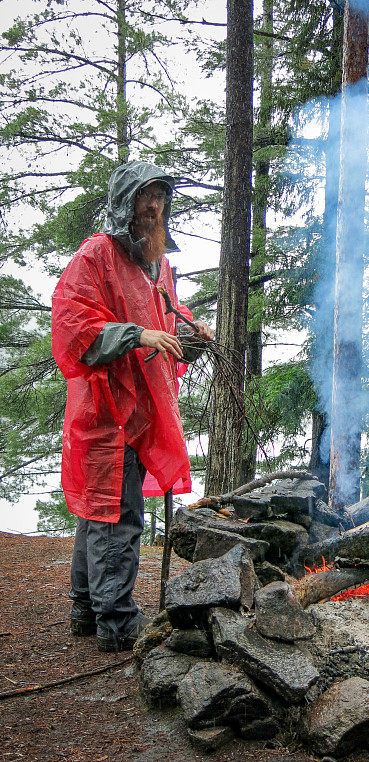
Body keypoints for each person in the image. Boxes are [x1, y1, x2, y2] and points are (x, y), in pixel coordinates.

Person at [51, 161, 214, 652]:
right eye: (146, 198)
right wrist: (136, 335)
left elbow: (163, 315)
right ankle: (118, 621)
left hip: (140, 405)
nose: (154, 208)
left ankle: (85, 608)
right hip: (104, 408)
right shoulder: (96, 255)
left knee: (100, 512)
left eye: (161, 198)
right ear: (126, 201)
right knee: (114, 514)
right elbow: (72, 325)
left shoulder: (157, 262)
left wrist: (190, 331)